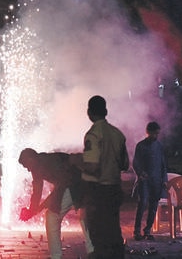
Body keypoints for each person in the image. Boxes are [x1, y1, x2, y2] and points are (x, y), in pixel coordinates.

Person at [70, 95, 129, 259]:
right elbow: (125, 164)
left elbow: (92, 167)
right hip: (114, 189)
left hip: (97, 191)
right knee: (113, 233)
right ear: (106, 111)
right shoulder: (118, 134)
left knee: (98, 235)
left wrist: (77, 161)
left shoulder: (93, 135)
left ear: (89, 112)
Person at [18, 148, 94, 259]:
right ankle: (93, 251)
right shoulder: (39, 164)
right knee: (84, 217)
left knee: (52, 217)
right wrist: (32, 210)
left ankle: (56, 256)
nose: (28, 170)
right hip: (82, 183)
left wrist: (37, 208)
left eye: (26, 166)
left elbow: (64, 182)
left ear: (31, 159)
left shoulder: (47, 162)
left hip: (75, 185)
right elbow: (37, 191)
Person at [132, 121, 168, 241]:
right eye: (154, 133)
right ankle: (137, 231)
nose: (155, 136)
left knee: (153, 206)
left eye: (157, 134)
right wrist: (140, 173)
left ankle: (147, 230)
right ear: (148, 132)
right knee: (142, 204)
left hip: (157, 181)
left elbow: (163, 164)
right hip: (145, 181)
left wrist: (165, 179)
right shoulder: (141, 146)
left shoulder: (159, 146)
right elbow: (135, 163)